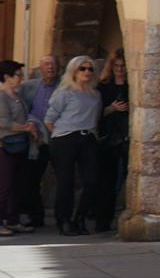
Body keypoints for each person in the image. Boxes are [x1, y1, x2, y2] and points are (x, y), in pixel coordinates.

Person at [44, 56, 104, 236]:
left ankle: (80, 217)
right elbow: (49, 119)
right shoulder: (65, 92)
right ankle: (64, 220)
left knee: (91, 180)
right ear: (74, 71)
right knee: (66, 182)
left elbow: (96, 115)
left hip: (88, 138)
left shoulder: (95, 93)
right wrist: (61, 134)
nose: (87, 72)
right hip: (65, 139)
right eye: (82, 68)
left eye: (90, 69)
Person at [16, 54, 57, 230]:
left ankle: (64, 216)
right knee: (31, 179)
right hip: (38, 141)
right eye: (46, 64)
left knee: (64, 178)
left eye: (53, 65)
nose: (50, 68)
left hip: (58, 138)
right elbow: (20, 105)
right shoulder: (29, 87)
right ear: (40, 68)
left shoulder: (64, 87)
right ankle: (35, 216)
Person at [95, 50, 130, 231]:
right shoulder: (104, 87)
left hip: (126, 138)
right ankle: (103, 221)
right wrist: (111, 108)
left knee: (124, 179)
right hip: (108, 139)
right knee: (106, 181)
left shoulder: (131, 87)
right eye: (116, 66)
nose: (120, 70)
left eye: (123, 66)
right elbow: (95, 113)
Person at [0, 61, 27, 235]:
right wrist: (26, 127)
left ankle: (12, 219)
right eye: (18, 74)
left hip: (19, 144)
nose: (21, 78)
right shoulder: (1, 96)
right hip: (4, 145)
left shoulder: (17, 95)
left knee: (16, 184)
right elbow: (3, 122)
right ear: (7, 77)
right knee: (4, 185)